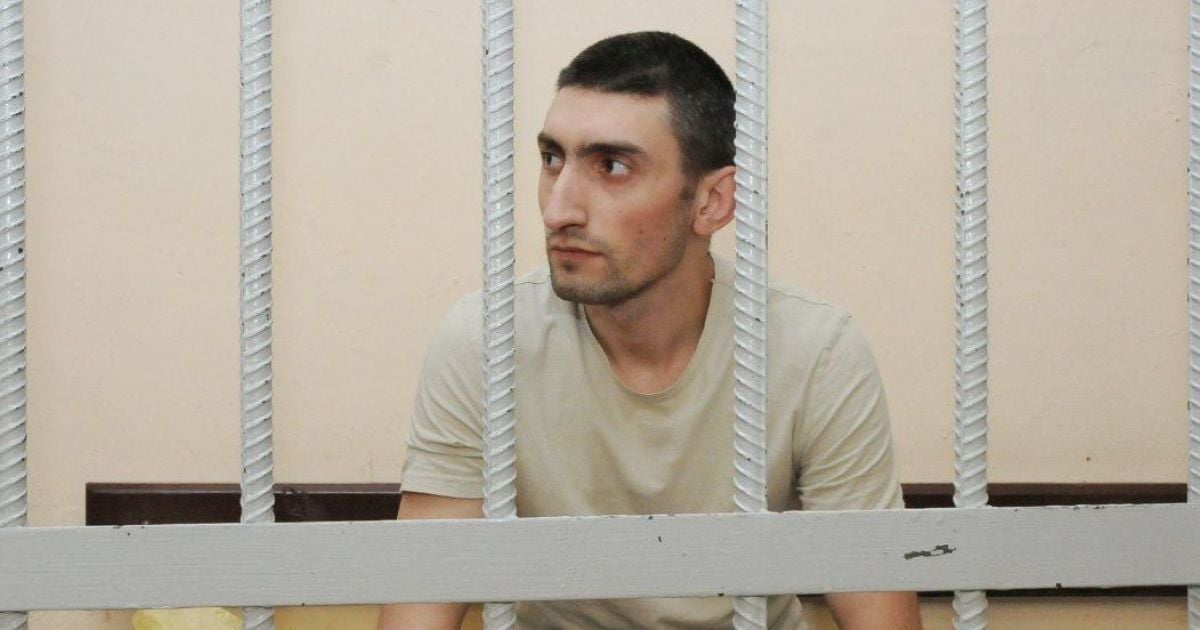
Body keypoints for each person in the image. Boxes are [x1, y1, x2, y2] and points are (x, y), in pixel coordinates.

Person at [378, 31, 922, 630]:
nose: (558, 210)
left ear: (712, 202)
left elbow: (879, 610)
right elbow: (420, 605)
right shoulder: (487, 341)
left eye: (612, 167)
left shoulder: (814, 350)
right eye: (552, 160)